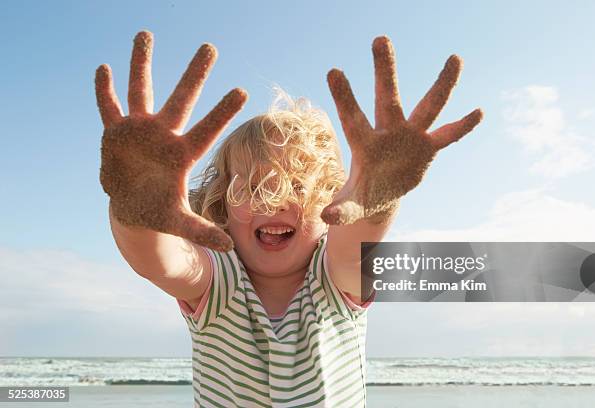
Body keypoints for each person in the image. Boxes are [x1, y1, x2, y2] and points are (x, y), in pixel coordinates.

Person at [95, 30, 483, 407]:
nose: (273, 204)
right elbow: (161, 261)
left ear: (334, 201)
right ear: (221, 205)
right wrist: (136, 211)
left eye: (297, 187)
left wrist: (376, 196)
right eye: (251, 188)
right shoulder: (217, 281)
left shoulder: (332, 280)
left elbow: (353, 251)